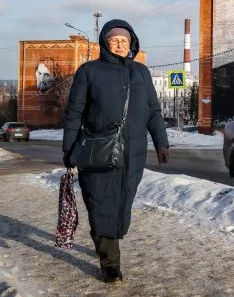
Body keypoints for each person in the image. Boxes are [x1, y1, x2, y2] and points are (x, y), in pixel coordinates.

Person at [62, 19, 170, 283]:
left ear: (131, 43)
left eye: (125, 41)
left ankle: (108, 244)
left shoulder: (141, 73)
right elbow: (74, 112)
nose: (120, 45)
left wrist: (162, 142)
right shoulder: (89, 72)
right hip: (98, 152)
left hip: (132, 154)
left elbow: (153, 111)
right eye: (115, 40)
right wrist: (69, 148)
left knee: (122, 204)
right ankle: (110, 263)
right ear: (105, 43)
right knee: (101, 203)